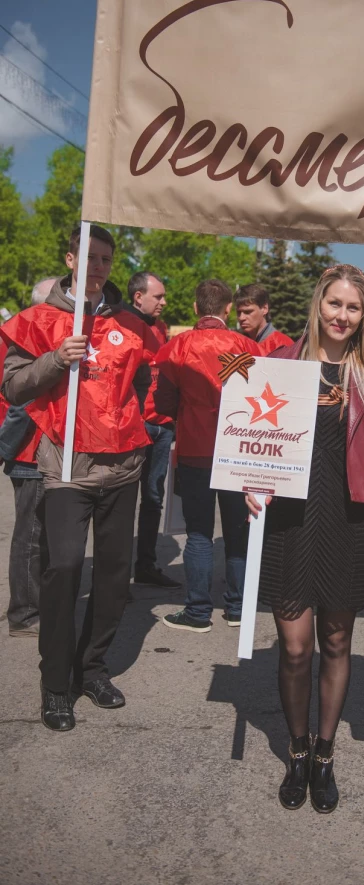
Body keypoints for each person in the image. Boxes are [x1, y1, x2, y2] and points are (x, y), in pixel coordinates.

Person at [246, 264, 364, 814]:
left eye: (353, 308)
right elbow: (242, 426)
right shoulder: (279, 363)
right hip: (289, 519)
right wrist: (246, 478)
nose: (342, 315)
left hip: (346, 521)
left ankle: (325, 755)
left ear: (363, 317)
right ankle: (297, 748)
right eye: (335, 304)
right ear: (319, 304)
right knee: (294, 646)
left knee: (336, 642)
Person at [0, 224, 160, 732]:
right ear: (71, 258)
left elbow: (140, 384)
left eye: (107, 260)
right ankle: (55, 686)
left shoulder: (131, 322)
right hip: (65, 466)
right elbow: (14, 387)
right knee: (64, 567)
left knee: (114, 577)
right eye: (90, 258)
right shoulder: (41, 318)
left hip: (123, 464)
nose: (99, 268)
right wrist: (54, 359)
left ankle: (91, 669)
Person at [152, 279, 262, 633]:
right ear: (228, 309)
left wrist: (187, 411)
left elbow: (163, 403)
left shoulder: (177, 346)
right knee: (236, 531)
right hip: (239, 451)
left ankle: (198, 611)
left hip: (196, 450)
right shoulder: (249, 347)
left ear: (197, 308)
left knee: (199, 533)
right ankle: (237, 608)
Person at [0, 278, 57, 637]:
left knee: (42, 534)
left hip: (36, 447)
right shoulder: (28, 334)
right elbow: (20, 401)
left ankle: (35, 607)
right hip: (29, 449)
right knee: (32, 536)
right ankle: (24, 614)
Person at [124, 271, 180, 589]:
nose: (164, 302)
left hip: (162, 429)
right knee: (123, 500)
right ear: (138, 297)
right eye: (158, 296)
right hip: (136, 426)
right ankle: (117, 578)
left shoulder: (159, 329)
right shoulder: (121, 326)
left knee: (153, 498)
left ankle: (145, 565)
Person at [234, 283, 293, 354]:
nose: (241, 318)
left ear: (265, 309)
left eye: (248, 312)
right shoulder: (236, 344)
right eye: (239, 312)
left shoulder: (282, 345)